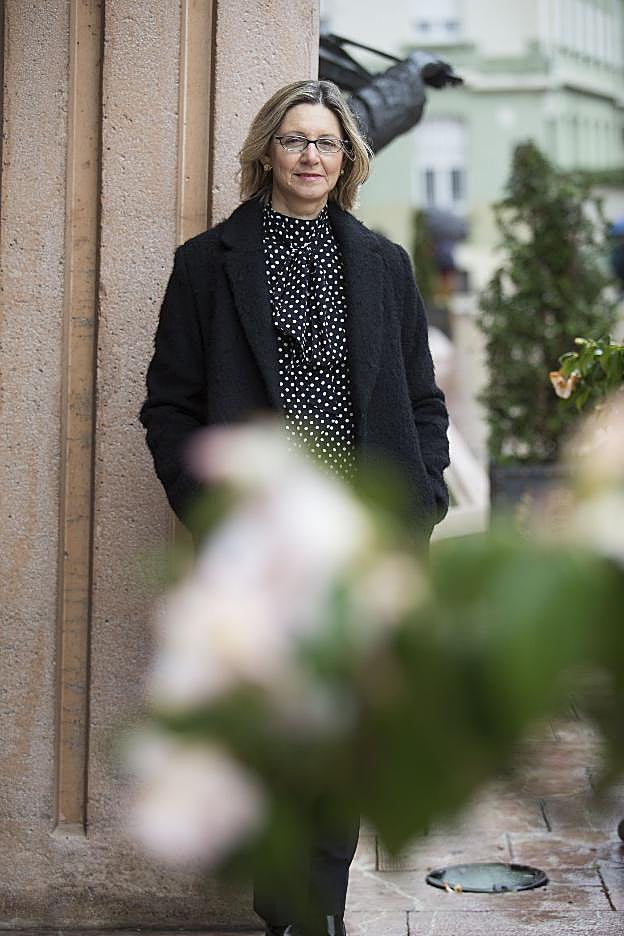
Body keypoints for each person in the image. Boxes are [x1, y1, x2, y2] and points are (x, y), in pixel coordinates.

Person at [140, 79, 450, 936]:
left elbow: (423, 401)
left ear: (348, 160)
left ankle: (318, 914)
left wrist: (424, 497)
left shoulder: (385, 264)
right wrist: (207, 507)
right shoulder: (207, 264)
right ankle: (287, 911)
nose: (311, 156)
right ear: (267, 153)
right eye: (295, 140)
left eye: (327, 143)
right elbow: (170, 406)